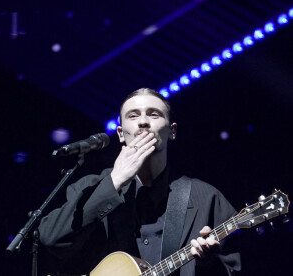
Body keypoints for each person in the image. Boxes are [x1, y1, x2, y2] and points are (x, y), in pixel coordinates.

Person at [38, 88, 241, 276]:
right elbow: (52, 239)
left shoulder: (206, 198)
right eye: (133, 115)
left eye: (154, 114)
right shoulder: (88, 188)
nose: (143, 122)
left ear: (172, 131)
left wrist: (210, 264)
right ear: (120, 134)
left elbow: (236, 269)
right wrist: (114, 181)